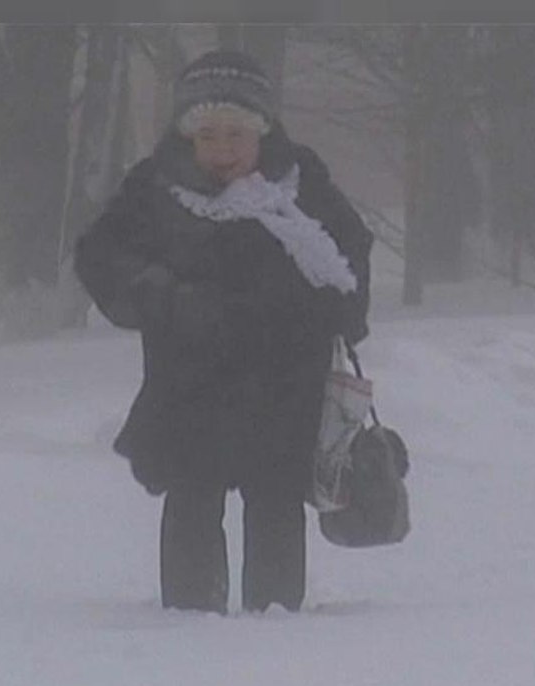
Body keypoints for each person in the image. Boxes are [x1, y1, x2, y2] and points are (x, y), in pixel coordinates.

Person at [74, 50, 374, 614]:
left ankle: (277, 620)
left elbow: (350, 257)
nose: (222, 149)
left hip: (285, 381)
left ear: (262, 131)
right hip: (191, 381)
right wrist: (162, 296)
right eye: (207, 134)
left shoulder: (300, 184)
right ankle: (189, 624)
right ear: (187, 135)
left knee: (276, 503)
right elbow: (100, 255)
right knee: (191, 498)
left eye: (237, 133)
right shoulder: (155, 187)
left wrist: (332, 309)